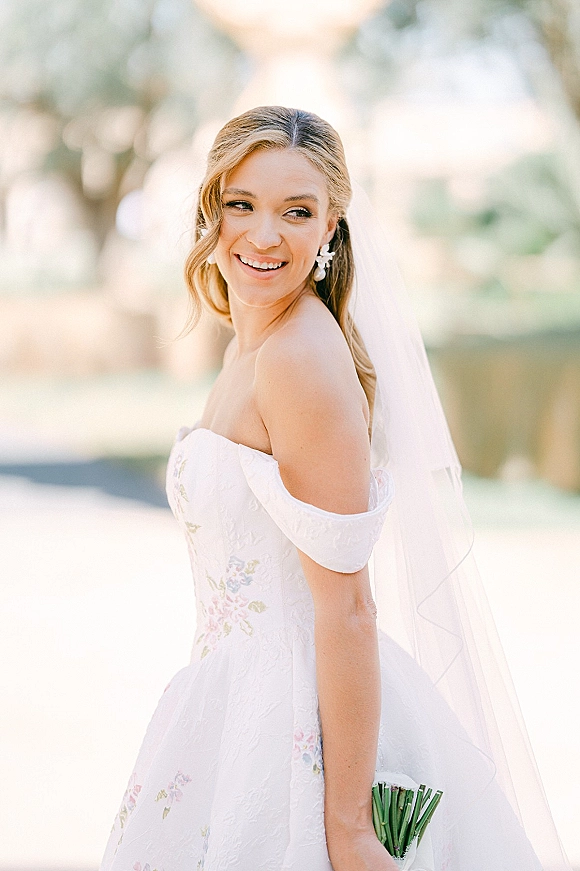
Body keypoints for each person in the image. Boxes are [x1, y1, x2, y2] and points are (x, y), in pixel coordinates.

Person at [98, 106, 570, 871]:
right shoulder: (252, 345)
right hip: (228, 700)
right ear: (211, 208)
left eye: (297, 211)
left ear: (331, 228)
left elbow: (347, 605)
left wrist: (349, 827)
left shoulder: (300, 359)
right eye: (241, 204)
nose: (262, 235)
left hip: (292, 727)